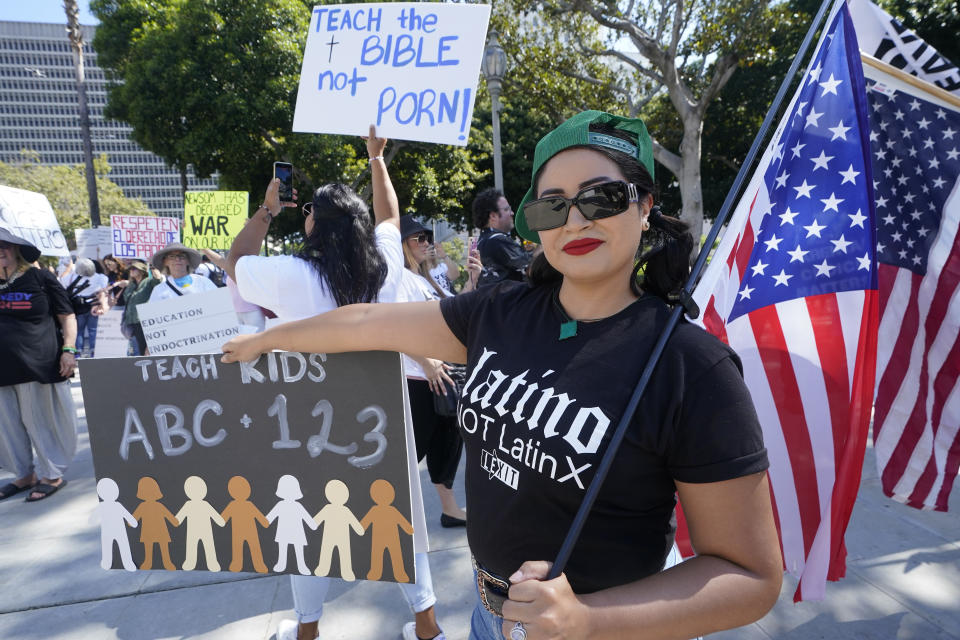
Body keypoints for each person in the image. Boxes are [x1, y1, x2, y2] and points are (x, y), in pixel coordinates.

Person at [222, 111, 783, 640]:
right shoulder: (498, 310)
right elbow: (367, 322)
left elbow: (750, 576)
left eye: (602, 198)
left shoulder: (692, 365)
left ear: (644, 207)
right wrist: (268, 340)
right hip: (488, 617)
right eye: (551, 207)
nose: (577, 220)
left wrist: (588, 618)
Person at [225, 126, 448, 640]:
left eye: (306, 214)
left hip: (311, 417)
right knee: (400, 516)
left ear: (315, 226)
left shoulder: (291, 274)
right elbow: (389, 215)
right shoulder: (387, 264)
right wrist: (377, 159)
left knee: (306, 520)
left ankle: (307, 631)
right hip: (382, 412)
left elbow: (236, 265)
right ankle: (427, 627)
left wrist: (266, 210)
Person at [398, 215, 468, 527]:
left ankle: (450, 509)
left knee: (448, 442)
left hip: (443, 374)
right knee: (411, 451)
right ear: (402, 246)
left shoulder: (426, 278)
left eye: (427, 238)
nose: (426, 243)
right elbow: (393, 331)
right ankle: (393, 514)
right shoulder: (396, 280)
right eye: (418, 239)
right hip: (416, 377)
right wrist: (425, 363)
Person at [0, 228, 78, 502]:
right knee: (6, 428)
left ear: (17, 249)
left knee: (41, 422)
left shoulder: (40, 277)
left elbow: (67, 316)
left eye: (5, 245)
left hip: (38, 365)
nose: (1, 250)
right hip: (2, 370)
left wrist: (68, 350)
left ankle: (52, 474)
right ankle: (23, 475)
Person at [472, 187, 531, 287]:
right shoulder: (497, 241)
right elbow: (532, 266)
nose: (512, 213)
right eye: (507, 209)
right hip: (510, 301)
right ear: (493, 216)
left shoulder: (482, 241)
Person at [60, 257, 108, 357]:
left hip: (78, 307)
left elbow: (61, 280)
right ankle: (93, 351)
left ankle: (78, 352)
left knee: (79, 331)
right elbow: (104, 288)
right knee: (93, 330)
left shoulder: (70, 278)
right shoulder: (101, 278)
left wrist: (69, 268)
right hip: (94, 307)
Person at [147, 243, 217, 303]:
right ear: (165, 262)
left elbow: (218, 303)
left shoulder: (203, 282)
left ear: (188, 261)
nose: (177, 259)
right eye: (171, 256)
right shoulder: (159, 290)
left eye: (182, 256)